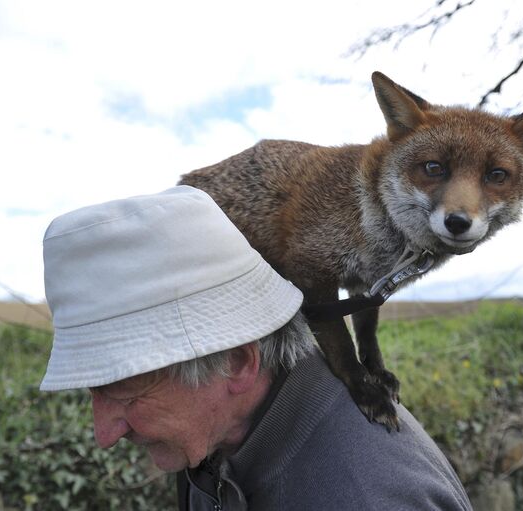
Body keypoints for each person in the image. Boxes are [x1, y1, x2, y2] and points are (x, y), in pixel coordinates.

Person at [40, 185, 472, 510]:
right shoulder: (219, 434)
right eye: (93, 388)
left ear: (236, 361)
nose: (103, 435)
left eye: (127, 391)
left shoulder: (368, 496)